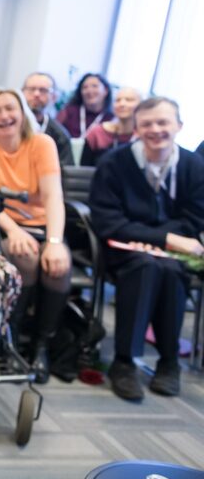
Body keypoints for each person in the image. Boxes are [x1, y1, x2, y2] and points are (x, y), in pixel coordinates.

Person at [90, 97, 204, 401]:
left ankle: (169, 362)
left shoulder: (195, 166)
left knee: (169, 268)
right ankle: (124, 362)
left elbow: (194, 219)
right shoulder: (114, 163)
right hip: (123, 251)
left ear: (179, 126)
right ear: (136, 128)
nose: (155, 129)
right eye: (147, 124)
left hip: (175, 254)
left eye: (163, 122)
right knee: (145, 266)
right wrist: (164, 240)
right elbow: (109, 221)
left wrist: (161, 242)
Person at [0, 88, 71, 384]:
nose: (4, 116)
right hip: (5, 224)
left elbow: (54, 196)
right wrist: (14, 230)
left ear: (22, 113)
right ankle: (10, 338)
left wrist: (54, 243)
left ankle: (41, 345)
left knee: (57, 267)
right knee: (25, 259)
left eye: (10, 109)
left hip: (45, 225)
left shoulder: (42, 143)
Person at [21, 72, 74, 166]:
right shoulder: (8, 126)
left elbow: (64, 173)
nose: (36, 94)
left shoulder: (60, 135)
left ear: (54, 97)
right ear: (22, 93)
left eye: (43, 90)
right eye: (31, 89)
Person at [81, 87, 140, 167]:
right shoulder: (97, 133)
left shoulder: (143, 136)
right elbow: (84, 169)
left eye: (129, 100)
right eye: (117, 100)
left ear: (141, 105)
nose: (122, 104)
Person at [56, 72, 113, 140]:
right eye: (85, 87)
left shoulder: (111, 118)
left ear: (106, 90)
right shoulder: (68, 111)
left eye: (94, 86)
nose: (89, 90)